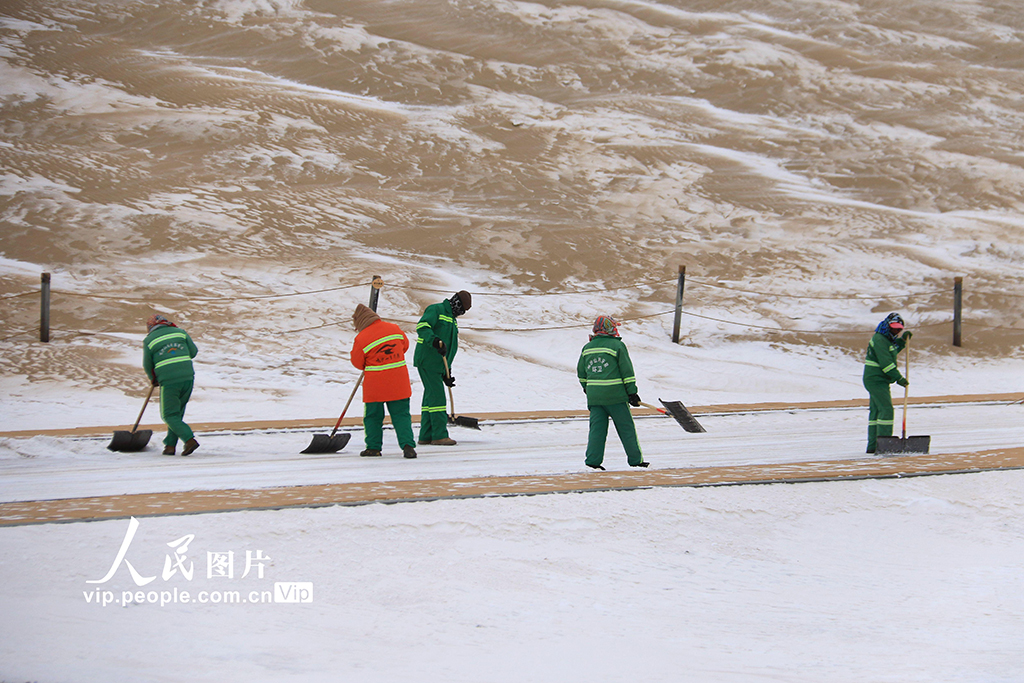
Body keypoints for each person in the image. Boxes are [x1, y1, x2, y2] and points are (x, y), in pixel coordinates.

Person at [577, 315, 648, 470]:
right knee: (626, 428)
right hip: (616, 396)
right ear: (610, 328)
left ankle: (593, 461)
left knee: (597, 430)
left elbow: (581, 373)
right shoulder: (617, 346)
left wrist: (587, 389)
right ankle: (636, 460)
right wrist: (632, 393)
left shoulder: (587, 348)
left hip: (595, 398)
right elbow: (627, 372)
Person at [350, 303, 417, 459]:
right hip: (398, 382)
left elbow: (357, 363)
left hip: (375, 385)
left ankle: (373, 448)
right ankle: (408, 446)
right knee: (401, 415)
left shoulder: (362, 338)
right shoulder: (394, 328)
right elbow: (404, 346)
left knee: (373, 416)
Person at [413, 290, 471, 446]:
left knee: (430, 398)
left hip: (439, 364)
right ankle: (439, 435)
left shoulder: (452, 319)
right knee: (438, 398)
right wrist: (434, 340)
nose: (462, 313)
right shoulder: (436, 310)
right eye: (462, 309)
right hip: (428, 360)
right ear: (456, 303)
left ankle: (426, 435)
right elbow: (422, 327)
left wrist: (447, 372)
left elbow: (448, 348)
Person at [142, 314, 200, 456]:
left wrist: (153, 379)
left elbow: (148, 364)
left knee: (168, 415)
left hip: (169, 380)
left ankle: (189, 439)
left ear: (150, 327)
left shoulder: (149, 340)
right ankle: (170, 446)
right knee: (177, 413)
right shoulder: (180, 332)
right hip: (188, 376)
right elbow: (193, 352)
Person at [863, 312, 913, 453]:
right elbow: (886, 363)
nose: (895, 331)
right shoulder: (879, 339)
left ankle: (874, 446)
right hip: (876, 380)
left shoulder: (886, 340)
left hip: (878, 380)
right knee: (886, 410)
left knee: (876, 411)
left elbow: (892, 351)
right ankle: (884, 444)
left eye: (899, 329)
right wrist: (899, 378)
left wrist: (902, 341)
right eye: (894, 328)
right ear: (887, 326)